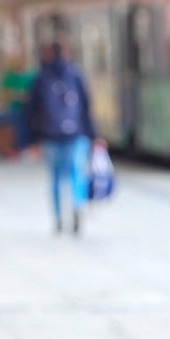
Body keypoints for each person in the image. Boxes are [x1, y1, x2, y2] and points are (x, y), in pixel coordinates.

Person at [25, 38, 100, 235]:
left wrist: (32, 140)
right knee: (77, 172)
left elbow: (31, 112)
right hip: (77, 134)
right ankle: (77, 205)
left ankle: (59, 217)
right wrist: (94, 136)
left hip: (50, 136)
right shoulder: (76, 76)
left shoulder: (40, 78)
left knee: (57, 177)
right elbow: (86, 108)